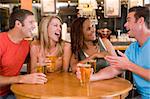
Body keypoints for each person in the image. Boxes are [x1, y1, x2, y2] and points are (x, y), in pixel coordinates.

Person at [85, 6, 150, 99]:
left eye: (128, 20)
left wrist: (129, 65)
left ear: (140, 21)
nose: (125, 25)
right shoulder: (132, 48)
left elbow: (127, 65)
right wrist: (90, 77)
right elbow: (114, 69)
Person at [0, 9, 47, 99]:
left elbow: (33, 66)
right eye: (31, 22)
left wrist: (40, 62)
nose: (34, 26)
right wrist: (21, 79)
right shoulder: (1, 41)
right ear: (18, 24)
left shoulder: (26, 44)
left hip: (12, 89)